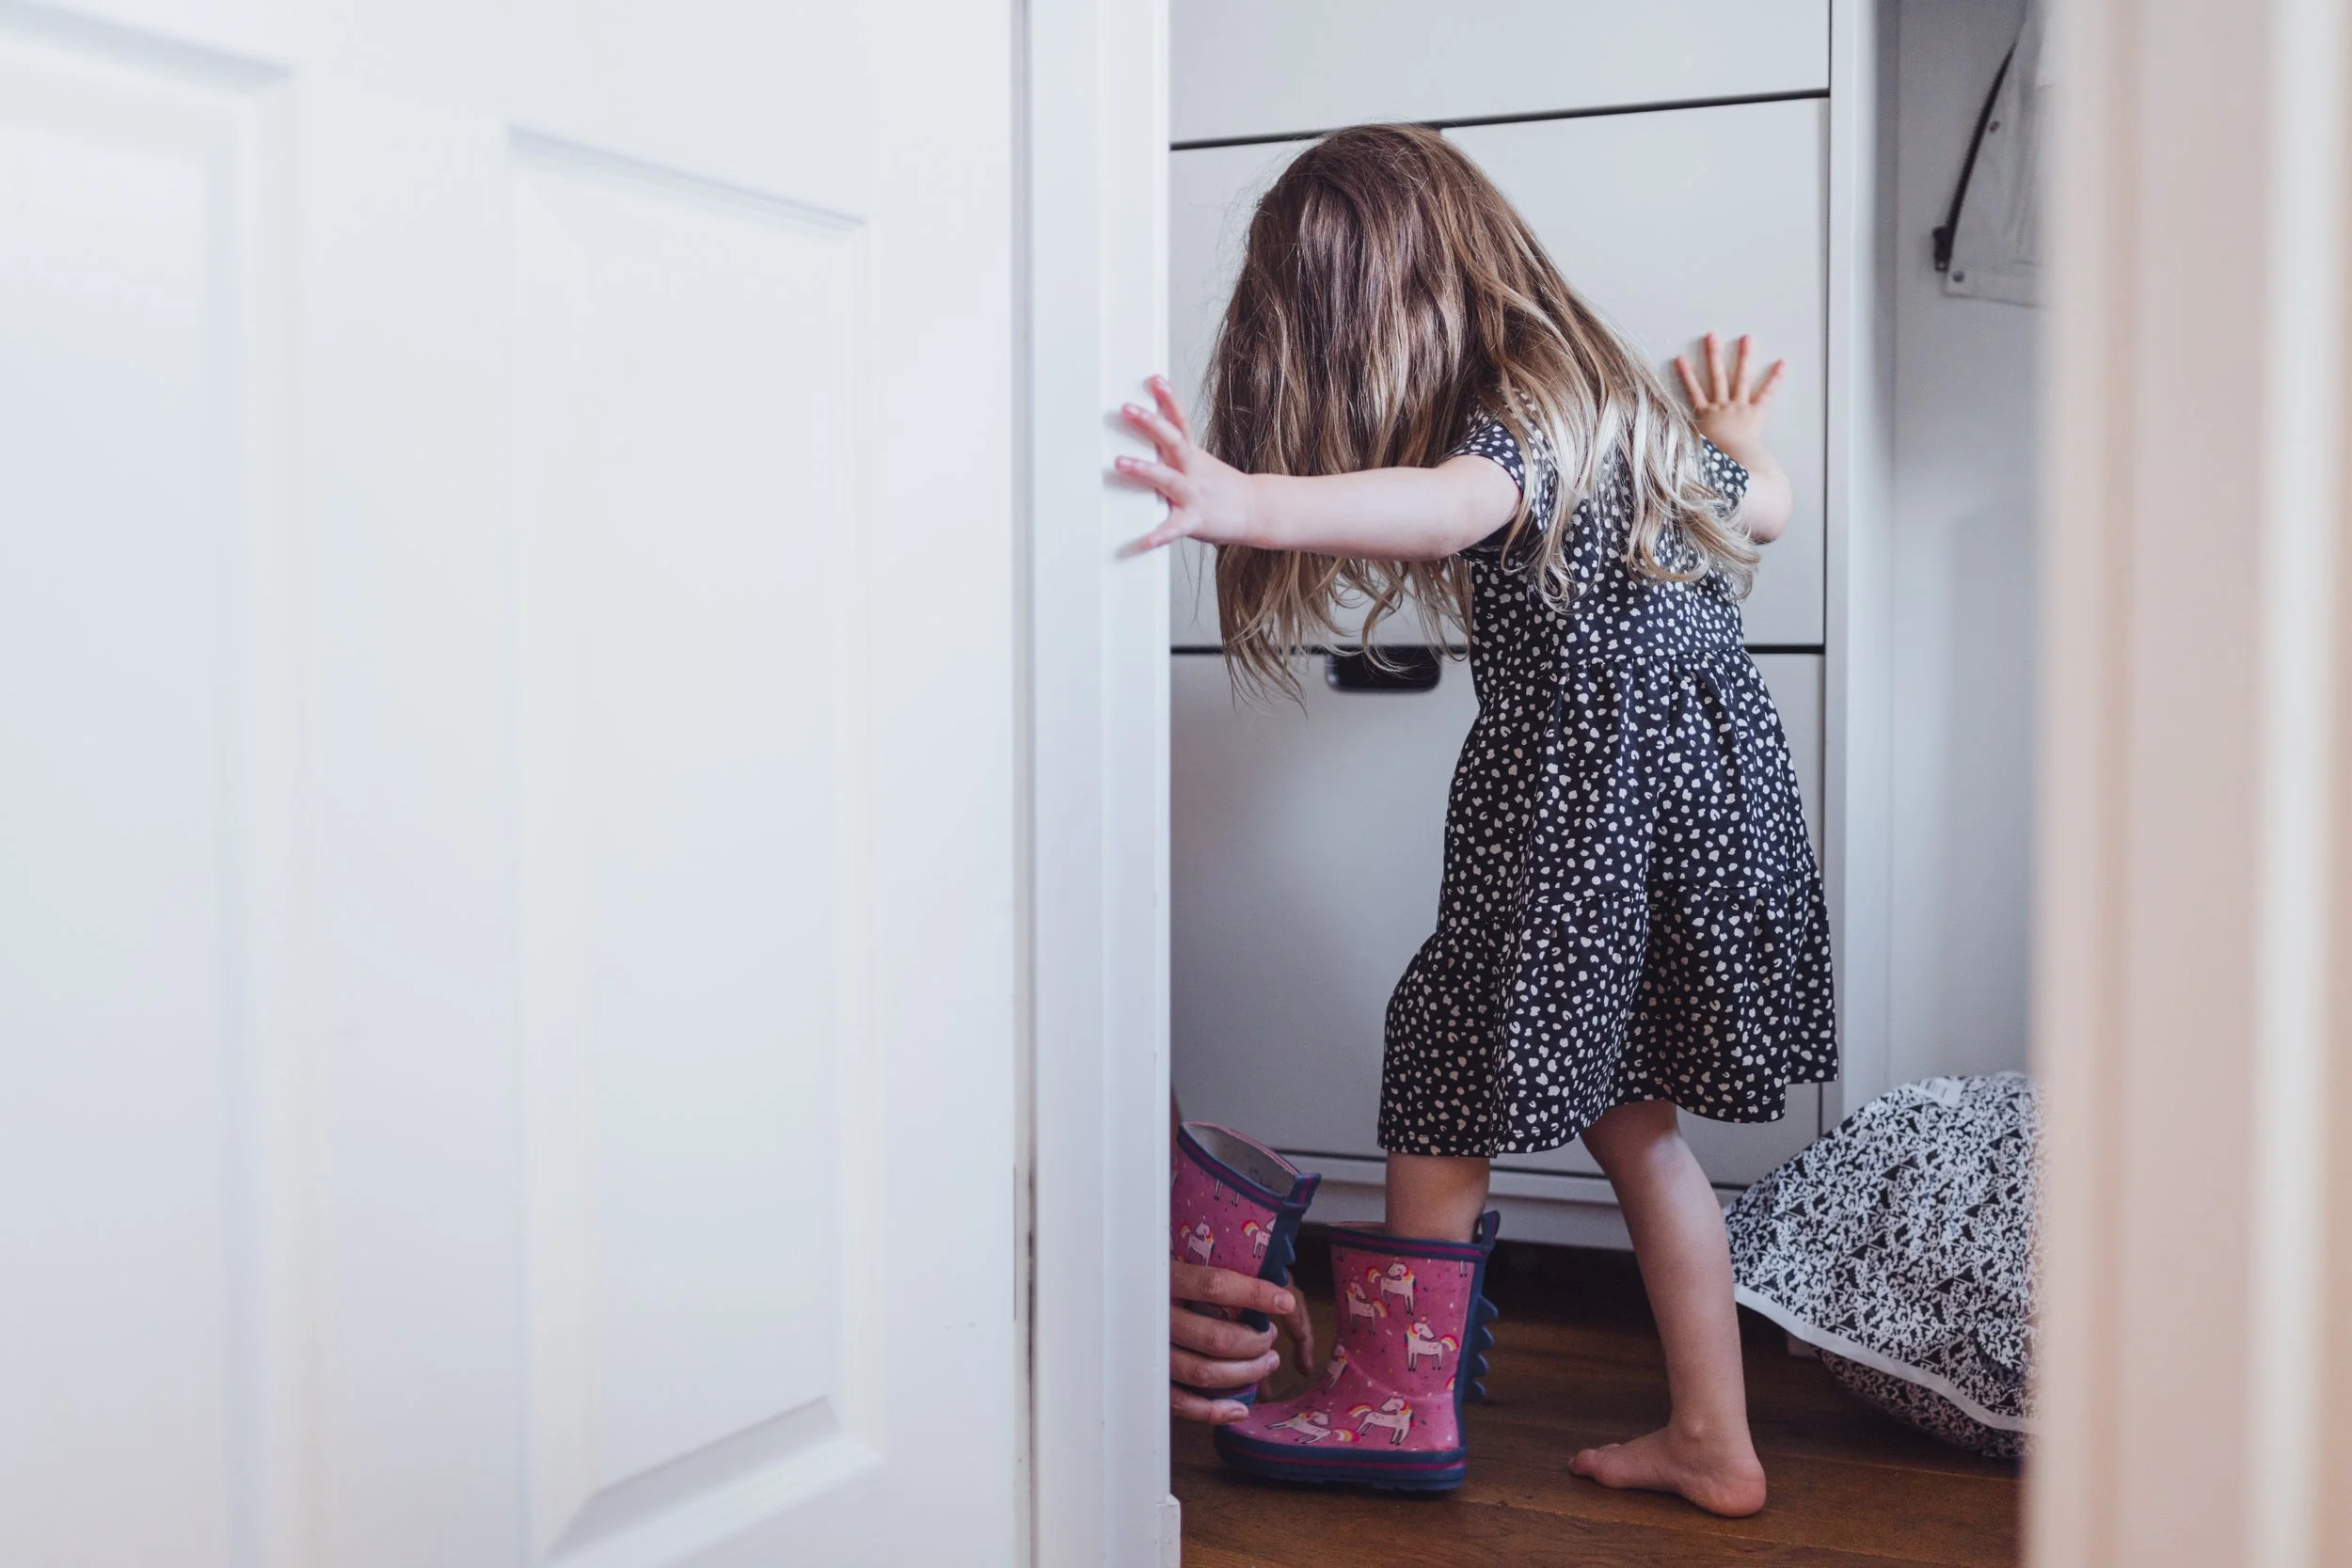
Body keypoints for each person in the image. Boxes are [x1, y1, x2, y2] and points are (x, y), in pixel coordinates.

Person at [1120, 124, 1834, 1514]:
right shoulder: (1630, 416)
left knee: (1444, 1045)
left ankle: (1397, 1394)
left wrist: (1239, 498)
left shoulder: (1525, 426)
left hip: (1580, 819)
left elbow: (1450, 512)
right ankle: (1713, 1435)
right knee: (1642, 1125)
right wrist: (1741, 443)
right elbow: (1771, 510)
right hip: (1695, 827)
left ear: (1400, 298)